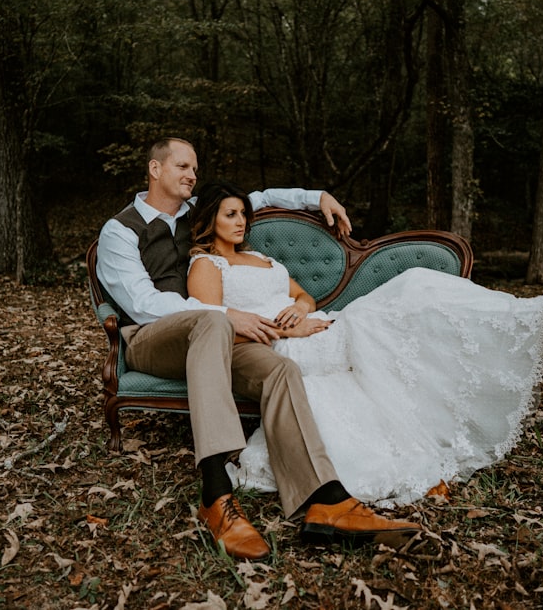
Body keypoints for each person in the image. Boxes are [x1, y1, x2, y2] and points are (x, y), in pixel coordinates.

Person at [95, 138, 420, 561]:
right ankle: (216, 492)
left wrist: (317, 196)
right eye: (182, 166)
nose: (192, 174)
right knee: (211, 320)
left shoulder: (199, 211)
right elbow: (143, 305)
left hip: (214, 338)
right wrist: (226, 313)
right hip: (152, 340)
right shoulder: (120, 230)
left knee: (279, 371)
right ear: (155, 170)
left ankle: (326, 501)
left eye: (194, 167)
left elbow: (260, 198)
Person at [186, 180, 543, 507]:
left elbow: (304, 295)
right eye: (231, 214)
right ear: (210, 220)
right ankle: (540, 317)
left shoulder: (261, 258)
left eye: (243, 213)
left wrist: (302, 309)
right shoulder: (207, 264)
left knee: (416, 298)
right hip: (283, 345)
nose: (241, 221)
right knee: (410, 292)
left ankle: (538, 318)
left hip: (316, 325)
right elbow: (215, 326)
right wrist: (284, 329)